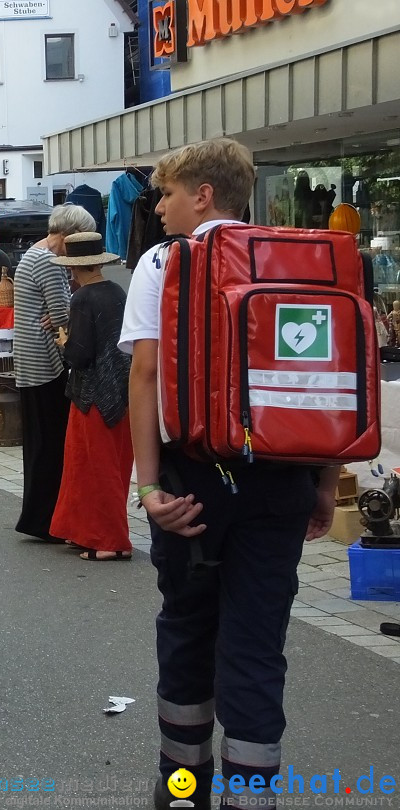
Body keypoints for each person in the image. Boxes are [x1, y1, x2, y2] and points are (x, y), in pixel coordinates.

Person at [118, 138, 339, 808]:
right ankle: (253, 796)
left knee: (188, 631)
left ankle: (183, 790)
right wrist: (324, 484)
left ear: (203, 195)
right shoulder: (303, 259)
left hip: (196, 479)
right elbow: (323, 382)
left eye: (169, 193)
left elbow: (147, 373)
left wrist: (149, 487)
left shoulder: (167, 262)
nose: (159, 208)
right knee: (256, 643)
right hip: (282, 476)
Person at [12, 204, 95, 541]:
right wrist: (65, 312)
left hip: (31, 362)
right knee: (52, 445)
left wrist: (58, 310)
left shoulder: (34, 253)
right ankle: (47, 521)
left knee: (40, 444)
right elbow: (61, 312)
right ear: (68, 234)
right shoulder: (48, 259)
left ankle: (42, 517)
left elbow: (56, 309)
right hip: (46, 362)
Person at [49, 232, 133, 561]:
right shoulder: (116, 291)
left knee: (91, 469)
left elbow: (79, 356)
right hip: (121, 392)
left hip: (93, 395)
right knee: (110, 466)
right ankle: (83, 531)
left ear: (75, 267)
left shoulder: (82, 298)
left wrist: (62, 339)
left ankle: (110, 541)